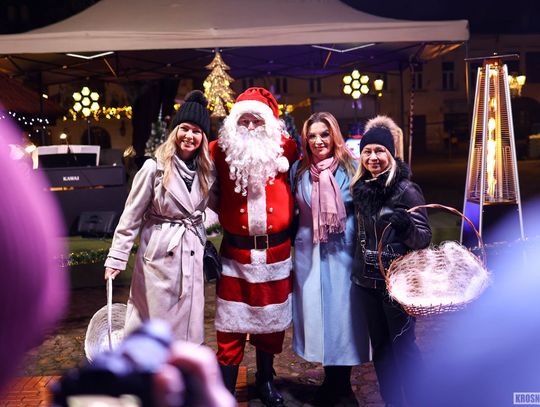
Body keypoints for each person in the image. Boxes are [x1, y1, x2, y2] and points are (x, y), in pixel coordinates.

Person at [209, 87, 298, 407]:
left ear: (269, 124)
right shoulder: (219, 150)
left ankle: (265, 380)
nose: (249, 126)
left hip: (276, 252)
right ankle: (224, 389)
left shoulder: (286, 148)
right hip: (236, 253)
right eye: (243, 120)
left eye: (256, 121)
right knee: (229, 325)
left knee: (270, 325)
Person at [104, 90, 214, 344]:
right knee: (155, 325)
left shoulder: (206, 173)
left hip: (191, 251)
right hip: (159, 256)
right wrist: (116, 258)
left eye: (197, 131)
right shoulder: (154, 168)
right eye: (184, 128)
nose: (190, 136)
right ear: (175, 131)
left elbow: (215, 205)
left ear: (203, 137)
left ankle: (180, 364)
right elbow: (130, 217)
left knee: (187, 323)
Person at [289, 112, 370, 406]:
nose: (318, 141)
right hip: (309, 254)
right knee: (317, 319)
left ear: (334, 135)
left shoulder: (353, 168)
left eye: (324, 134)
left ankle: (343, 386)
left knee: (344, 318)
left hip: (344, 253)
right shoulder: (298, 171)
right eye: (312, 135)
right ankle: (329, 381)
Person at [350, 120, 431, 407]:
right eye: (367, 151)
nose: (373, 157)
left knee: (404, 348)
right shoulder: (359, 188)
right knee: (382, 351)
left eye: (380, 151)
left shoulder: (406, 190)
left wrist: (406, 226)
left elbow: (424, 238)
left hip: (396, 284)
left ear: (391, 154)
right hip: (366, 283)